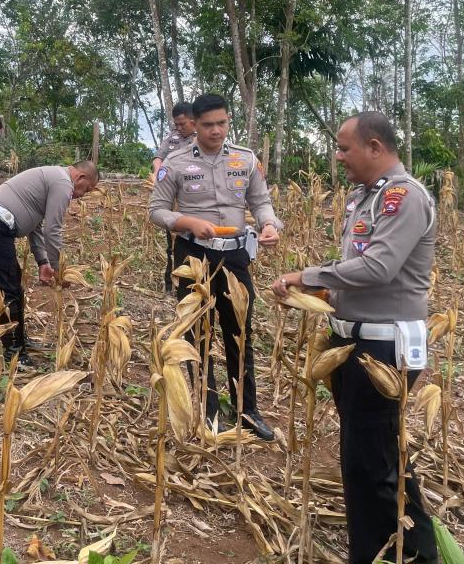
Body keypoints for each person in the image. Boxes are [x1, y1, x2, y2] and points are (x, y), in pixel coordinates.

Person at [271, 112, 438, 564]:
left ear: (375, 148)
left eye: (345, 148)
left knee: (374, 465)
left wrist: (306, 275)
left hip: (385, 347)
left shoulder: (404, 197)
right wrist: (325, 289)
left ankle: (405, 555)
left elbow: (379, 267)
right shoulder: (366, 197)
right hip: (355, 342)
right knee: (371, 461)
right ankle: (396, 552)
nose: (338, 156)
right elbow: (358, 272)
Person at [149, 93, 281, 440]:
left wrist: (269, 224)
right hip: (193, 256)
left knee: (240, 331)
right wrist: (188, 222)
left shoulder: (246, 159)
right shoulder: (174, 162)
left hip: (235, 257)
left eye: (222, 123)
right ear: (194, 125)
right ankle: (207, 410)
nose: (216, 131)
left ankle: (247, 409)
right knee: (198, 333)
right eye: (208, 125)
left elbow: (261, 201)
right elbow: (157, 211)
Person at [0, 161, 99, 365]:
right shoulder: (64, 183)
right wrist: (59, 270)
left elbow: (36, 227)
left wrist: (44, 262)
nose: (82, 195)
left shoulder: (52, 178)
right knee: (6, 291)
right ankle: (14, 354)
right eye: (87, 189)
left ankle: (19, 341)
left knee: (13, 288)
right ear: (80, 178)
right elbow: (53, 230)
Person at [150, 102, 196, 293]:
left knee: (192, 243)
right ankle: (171, 284)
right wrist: (159, 175)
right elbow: (158, 158)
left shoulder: (201, 138)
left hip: (192, 199)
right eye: (176, 124)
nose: (178, 128)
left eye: (182, 124)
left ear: (193, 121)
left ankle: (193, 283)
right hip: (171, 198)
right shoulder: (173, 137)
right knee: (173, 242)